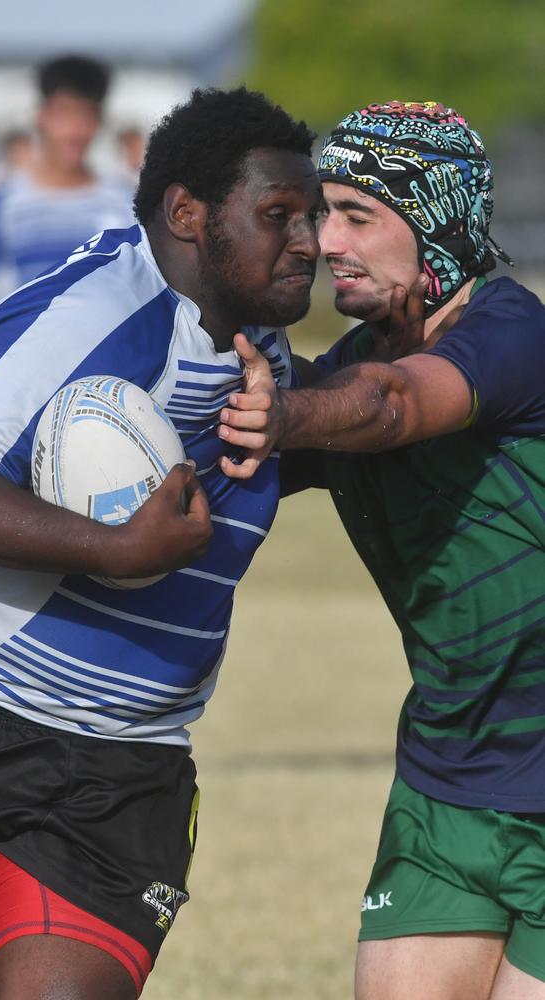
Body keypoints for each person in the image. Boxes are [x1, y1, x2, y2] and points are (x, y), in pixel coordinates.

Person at [0, 87, 322, 999]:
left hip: (121, 760)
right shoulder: (89, 313)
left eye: (315, 216)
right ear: (187, 213)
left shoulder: (261, 347)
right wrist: (116, 548)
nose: (309, 243)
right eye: (279, 215)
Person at [218, 100, 545, 999]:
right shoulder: (349, 374)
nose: (326, 241)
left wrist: (287, 414)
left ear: (436, 220)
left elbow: (398, 405)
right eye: (321, 213)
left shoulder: (515, 339)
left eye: (357, 214)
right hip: (447, 787)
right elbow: (202, 474)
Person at [0, 53, 136, 326]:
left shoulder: (126, 200)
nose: (75, 129)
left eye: (87, 114)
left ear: (100, 121)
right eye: (65, 112)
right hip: (16, 362)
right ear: (41, 115)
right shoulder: (4, 201)